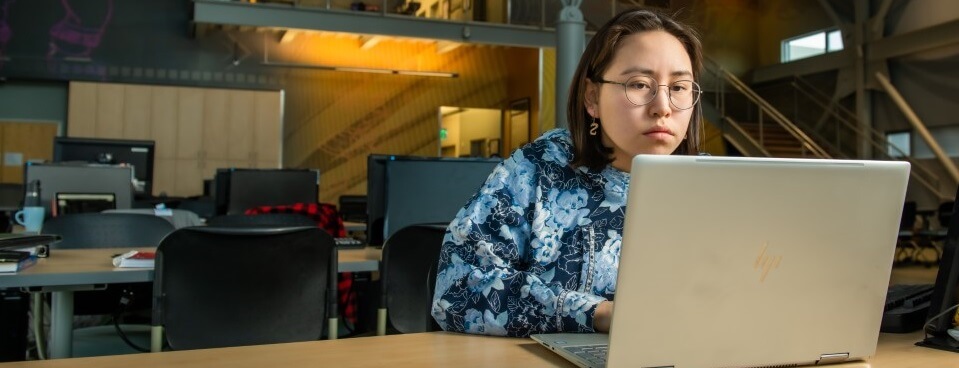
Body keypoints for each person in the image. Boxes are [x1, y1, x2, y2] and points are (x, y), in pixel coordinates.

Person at [431, 8, 704, 337]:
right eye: (640, 84)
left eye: (679, 88)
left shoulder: (711, 186)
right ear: (592, 97)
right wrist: (598, 314)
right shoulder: (536, 171)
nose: (662, 106)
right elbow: (456, 291)